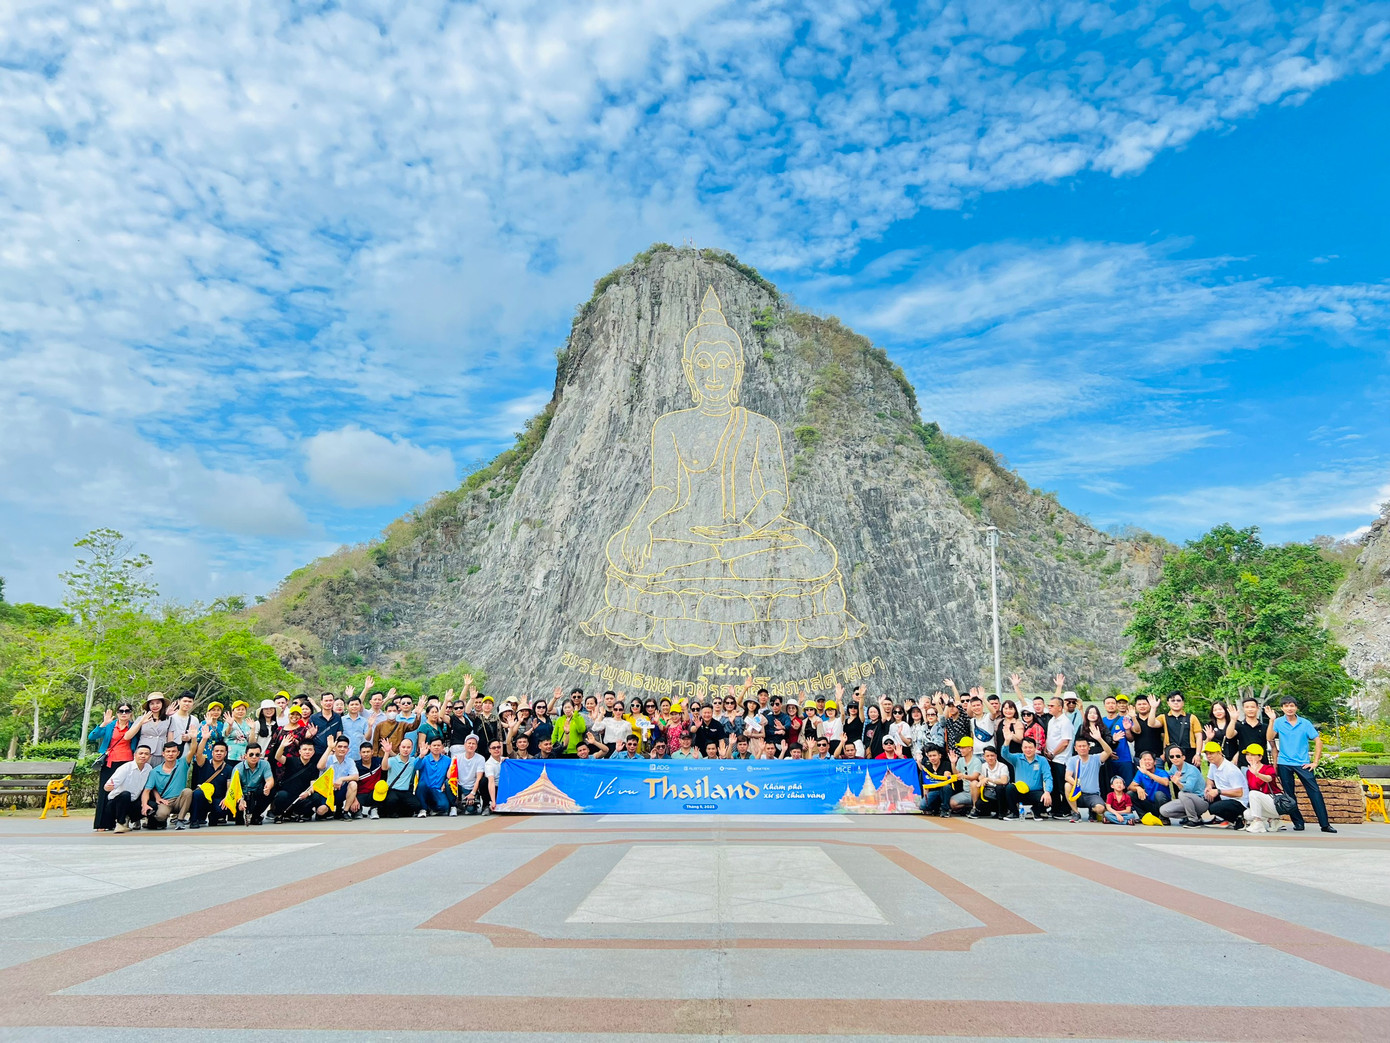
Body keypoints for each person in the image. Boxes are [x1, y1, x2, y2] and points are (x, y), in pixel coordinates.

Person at [1268, 695, 1336, 833]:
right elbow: (1269, 738)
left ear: (1296, 707)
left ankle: (1325, 824)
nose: (1289, 708)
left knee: (1315, 792)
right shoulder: (1279, 722)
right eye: (1286, 706)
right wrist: (1271, 720)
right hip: (1284, 763)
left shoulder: (1305, 723)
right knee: (1289, 795)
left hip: (1303, 763)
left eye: (1291, 705)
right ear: (1282, 708)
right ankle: (1298, 823)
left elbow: (1318, 741)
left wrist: (1315, 762)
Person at [272, 739, 331, 822]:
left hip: (301, 797)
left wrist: (308, 793)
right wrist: (282, 745)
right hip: (288, 794)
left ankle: (300, 813)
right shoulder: (291, 760)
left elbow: (312, 785)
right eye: (304, 749)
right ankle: (279, 814)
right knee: (281, 795)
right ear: (300, 751)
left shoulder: (313, 766)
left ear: (313, 752)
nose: (307, 752)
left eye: (310, 750)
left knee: (316, 797)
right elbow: (278, 757)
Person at [143, 741, 193, 830]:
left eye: (173, 751)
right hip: (165, 801)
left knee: (188, 791)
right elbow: (147, 790)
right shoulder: (155, 771)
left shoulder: (182, 764)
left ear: (178, 753)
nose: (170, 754)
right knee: (160, 816)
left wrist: (194, 738)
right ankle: (162, 821)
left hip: (179, 799)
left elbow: (192, 751)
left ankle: (180, 819)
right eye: (168, 751)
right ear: (163, 754)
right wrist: (144, 805)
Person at [104, 744, 154, 834]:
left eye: (146, 754)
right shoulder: (126, 768)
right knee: (125, 794)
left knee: (153, 805)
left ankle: (134, 819)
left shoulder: (149, 768)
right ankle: (120, 824)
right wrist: (109, 787)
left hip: (133, 803)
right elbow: (108, 785)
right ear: (135, 755)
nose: (143, 756)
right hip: (116, 804)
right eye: (141, 753)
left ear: (149, 756)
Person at [189, 732, 234, 829]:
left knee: (222, 809)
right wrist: (204, 739)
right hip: (204, 797)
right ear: (212, 752)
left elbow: (229, 785)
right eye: (216, 751)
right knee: (197, 794)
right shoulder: (204, 763)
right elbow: (198, 754)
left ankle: (214, 816)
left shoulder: (228, 768)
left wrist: (226, 798)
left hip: (218, 798)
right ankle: (194, 820)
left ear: (225, 753)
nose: (219, 753)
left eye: (222, 751)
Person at [1202, 741, 1249, 828]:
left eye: (1211, 753)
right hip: (1225, 796)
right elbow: (1210, 779)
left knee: (1214, 808)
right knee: (1205, 798)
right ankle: (1222, 818)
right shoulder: (1213, 765)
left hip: (1239, 801)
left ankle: (1239, 818)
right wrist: (1209, 787)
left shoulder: (1230, 770)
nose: (1209, 756)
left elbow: (1239, 793)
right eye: (1207, 754)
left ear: (1219, 753)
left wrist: (1218, 791)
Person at [1001, 737, 1051, 820]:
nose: (1028, 750)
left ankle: (1036, 810)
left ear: (1035, 748)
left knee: (1046, 796)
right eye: (1025, 747)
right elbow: (1005, 754)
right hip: (1020, 792)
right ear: (1022, 748)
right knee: (1010, 788)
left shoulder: (1042, 760)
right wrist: (1007, 741)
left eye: (1030, 747)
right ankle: (1014, 813)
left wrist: (1047, 792)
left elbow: (1048, 777)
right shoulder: (1017, 758)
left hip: (1035, 792)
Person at [1157, 746, 1208, 826]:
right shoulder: (1174, 767)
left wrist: (1178, 783)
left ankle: (1194, 820)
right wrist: (1149, 771)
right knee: (1163, 811)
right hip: (1186, 801)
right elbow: (1166, 775)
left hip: (1201, 801)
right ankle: (1194, 816)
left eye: (1178, 756)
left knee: (1182, 793)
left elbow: (1188, 788)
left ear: (1183, 757)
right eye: (1172, 756)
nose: (1175, 758)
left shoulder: (1192, 770)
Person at [1064, 736, 1111, 822]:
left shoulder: (1095, 758)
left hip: (1092, 794)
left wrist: (1099, 739)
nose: (1082, 748)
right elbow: (1067, 776)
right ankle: (1076, 812)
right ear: (1075, 748)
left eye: (1084, 746)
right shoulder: (1072, 760)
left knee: (1100, 809)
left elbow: (1108, 752)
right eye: (1079, 746)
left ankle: (1092, 811)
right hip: (1078, 793)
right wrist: (1077, 785)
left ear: (1089, 747)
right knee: (1067, 785)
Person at [1241, 744, 1285, 833]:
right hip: (1263, 803)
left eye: (1253, 755)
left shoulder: (1268, 768)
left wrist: (1257, 774)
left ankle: (1258, 823)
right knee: (1247, 814)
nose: (1249, 757)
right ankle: (1273, 820)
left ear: (1260, 757)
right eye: (1247, 754)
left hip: (1275, 802)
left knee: (1253, 793)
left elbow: (1269, 778)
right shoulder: (1249, 772)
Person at [1044, 696, 1075, 819]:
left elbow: (1065, 742)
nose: (1049, 707)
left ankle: (1066, 810)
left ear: (1060, 708)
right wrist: (1046, 750)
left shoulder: (1065, 722)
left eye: (1052, 706)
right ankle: (1056, 808)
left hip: (1061, 759)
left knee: (1062, 786)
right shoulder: (1052, 720)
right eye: (1049, 705)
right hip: (1051, 757)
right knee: (1054, 786)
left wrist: (1053, 753)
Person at [318, 735, 362, 818]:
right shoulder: (328, 758)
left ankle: (345, 812)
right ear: (335, 748)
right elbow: (320, 766)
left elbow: (356, 776)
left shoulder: (350, 761)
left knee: (353, 784)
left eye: (345, 747)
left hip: (339, 791)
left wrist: (341, 779)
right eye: (340, 746)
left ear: (348, 750)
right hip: (326, 793)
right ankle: (329, 810)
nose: (342, 749)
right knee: (321, 811)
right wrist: (329, 748)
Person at [232, 743, 275, 825]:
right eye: (251, 754)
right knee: (239, 822)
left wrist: (268, 787)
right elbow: (234, 787)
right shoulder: (238, 768)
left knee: (272, 791)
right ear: (245, 756)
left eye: (257, 754)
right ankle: (239, 815)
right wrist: (240, 799)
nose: (254, 757)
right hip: (242, 793)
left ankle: (256, 816)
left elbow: (270, 780)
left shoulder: (265, 764)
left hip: (256, 792)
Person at [378, 737, 422, 818]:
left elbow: (419, 764)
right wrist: (387, 752)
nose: (406, 750)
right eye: (403, 747)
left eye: (408, 747)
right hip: (392, 790)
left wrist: (422, 755)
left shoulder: (413, 760)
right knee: (392, 802)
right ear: (399, 748)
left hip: (405, 791)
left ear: (412, 748)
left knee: (416, 805)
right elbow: (384, 767)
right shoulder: (392, 760)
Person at [1128, 750, 1172, 823]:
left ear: (1154, 762)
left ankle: (1164, 818)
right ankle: (1143, 817)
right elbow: (1130, 787)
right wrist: (1138, 788)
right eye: (1144, 760)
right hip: (1149, 803)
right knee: (1130, 794)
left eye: (1149, 759)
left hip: (1162, 805)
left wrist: (1147, 773)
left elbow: (1166, 782)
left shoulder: (1161, 772)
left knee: (1158, 794)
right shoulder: (1140, 772)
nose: (1147, 762)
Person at [414, 736, 453, 817]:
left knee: (444, 806)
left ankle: (432, 808)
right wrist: (421, 755)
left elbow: (450, 774)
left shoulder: (448, 760)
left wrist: (444, 783)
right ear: (429, 747)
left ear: (442, 747)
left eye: (438, 745)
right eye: (434, 745)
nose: (436, 747)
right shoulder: (424, 759)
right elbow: (416, 767)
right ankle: (423, 809)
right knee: (421, 785)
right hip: (425, 789)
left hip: (438, 790)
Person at [1162, 692, 1201, 764]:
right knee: (1175, 774)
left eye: (1178, 700)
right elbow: (1152, 724)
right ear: (1168, 703)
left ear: (1183, 703)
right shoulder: (1163, 717)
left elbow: (1199, 736)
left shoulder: (1192, 717)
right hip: (1172, 752)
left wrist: (1198, 754)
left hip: (1189, 751)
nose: (1176, 703)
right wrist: (1153, 708)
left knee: (1192, 774)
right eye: (1173, 701)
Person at [972, 745, 1010, 818]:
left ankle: (1001, 812)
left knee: (999, 787)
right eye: (987, 756)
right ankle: (979, 810)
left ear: (996, 756)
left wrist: (989, 779)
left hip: (1001, 795)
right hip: (989, 793)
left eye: (992, 756)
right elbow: (980, 777)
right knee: (978, 804)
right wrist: (981, 778)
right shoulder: (983, 766)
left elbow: (1004, 781)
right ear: (984, 757)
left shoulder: (1003, 766)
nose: (990, 758)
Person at [483, 740, 505, 811]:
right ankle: (486, 804)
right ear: (490, 750)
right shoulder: (488, 764)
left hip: (504, 787)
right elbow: (491, 782)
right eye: (494, 748)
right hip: (494, 788)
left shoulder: (505, 760)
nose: (496, 749)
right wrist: (493, 801)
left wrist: (508, 762)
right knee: (484, 781)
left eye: (498, 747)